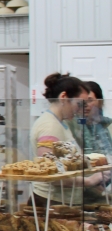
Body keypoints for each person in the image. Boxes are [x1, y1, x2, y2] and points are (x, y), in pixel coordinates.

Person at [31, 73, 90, 204]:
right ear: (63, 97)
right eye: (79, 104)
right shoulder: (50, 126)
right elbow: (51, 172)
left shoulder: (61, 123)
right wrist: (89, 181)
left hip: (62, 199)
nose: (80, 110)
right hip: (51, 201)